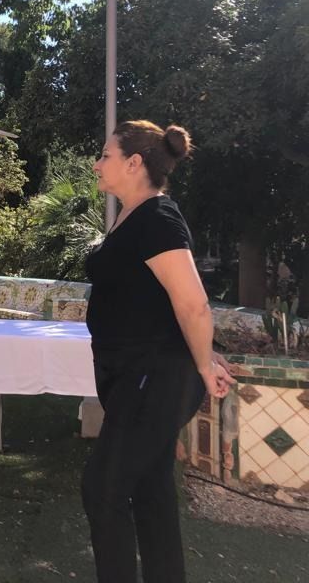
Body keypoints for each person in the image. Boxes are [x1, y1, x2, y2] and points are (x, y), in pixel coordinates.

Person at [82, 120, 235, 583]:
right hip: (134, 374)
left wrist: (206, 361)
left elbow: (192, 302)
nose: (97, 163)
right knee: (149, 489)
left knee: (102, 490)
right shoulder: (133, 215)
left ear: (135, 163)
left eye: (105, 155)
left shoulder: (158, 218)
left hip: (156, 374)